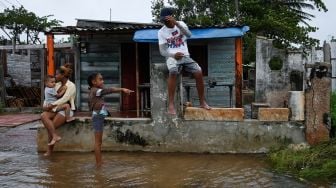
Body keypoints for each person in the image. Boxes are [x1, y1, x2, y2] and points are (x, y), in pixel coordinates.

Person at [158, 7, 211, 115]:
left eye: (167, 20)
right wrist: (173, 55)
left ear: (172, 17)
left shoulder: (181, 24)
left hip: (185, 56)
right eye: (163, 21)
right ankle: (171, 105)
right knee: (173, 71)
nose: (165, 22)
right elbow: (162, 51)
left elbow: (189, 35)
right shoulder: (161, 32)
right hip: (172, 57)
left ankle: (202, 102)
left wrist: (177, 24)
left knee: (199, 71)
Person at [87, 72, 134, 167]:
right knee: (98, 143)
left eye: (102, 79)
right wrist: (122, 89)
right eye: (100, 79)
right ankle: (99, 164)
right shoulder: (95, 90)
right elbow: (109, 90)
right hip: (97, 117)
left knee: (98, 142)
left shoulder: (95, 90)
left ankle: (99, 163)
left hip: (98, 116)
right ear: (94, 82)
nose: (103, 81)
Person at [41, 63, 76, 156]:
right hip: (55, 108)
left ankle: (49, 151)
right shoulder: (56, 84)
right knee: (43, 115)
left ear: (63, 75)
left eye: (57, 74)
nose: (56, 76)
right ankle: (55, 136)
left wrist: (51, 106)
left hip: (66, 109)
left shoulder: (71, 86)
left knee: (50, 127)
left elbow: (64, 99)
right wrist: (45, 106)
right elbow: (48, 97)